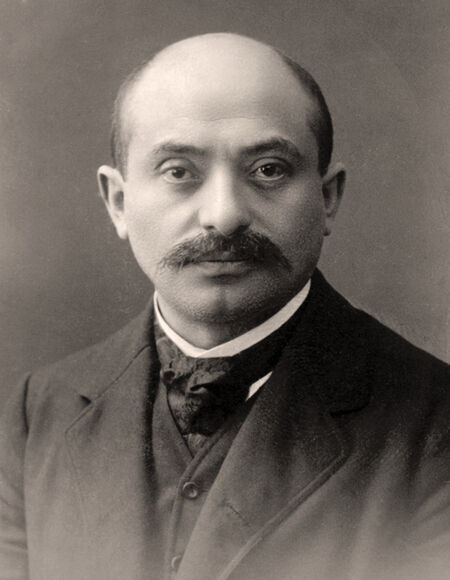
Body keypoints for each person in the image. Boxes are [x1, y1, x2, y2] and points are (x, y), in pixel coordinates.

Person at [0, 33, 448, 580]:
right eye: (178, 172)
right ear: (119, 202)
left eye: (268, 169)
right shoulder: (35, 416)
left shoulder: (434, 425)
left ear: (327, 198)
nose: (225, 214)